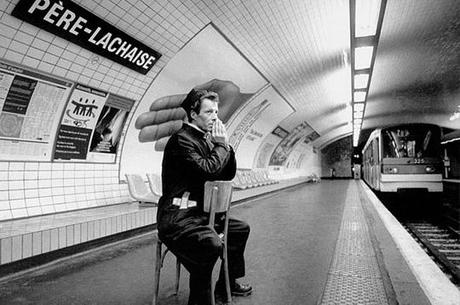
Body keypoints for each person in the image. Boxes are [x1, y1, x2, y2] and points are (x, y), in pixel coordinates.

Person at [157, 89, 252, 305]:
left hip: (200, 215)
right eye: (209, 112)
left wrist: (225, 145)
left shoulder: (206, 139)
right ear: (193, 114)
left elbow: (227, 173)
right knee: (208, 244)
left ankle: (225, 286)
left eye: (216, 112)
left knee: (239, 230)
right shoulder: (182, 141)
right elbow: (208, 170)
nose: (215, 117)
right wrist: (220, 145)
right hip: (178, 218)